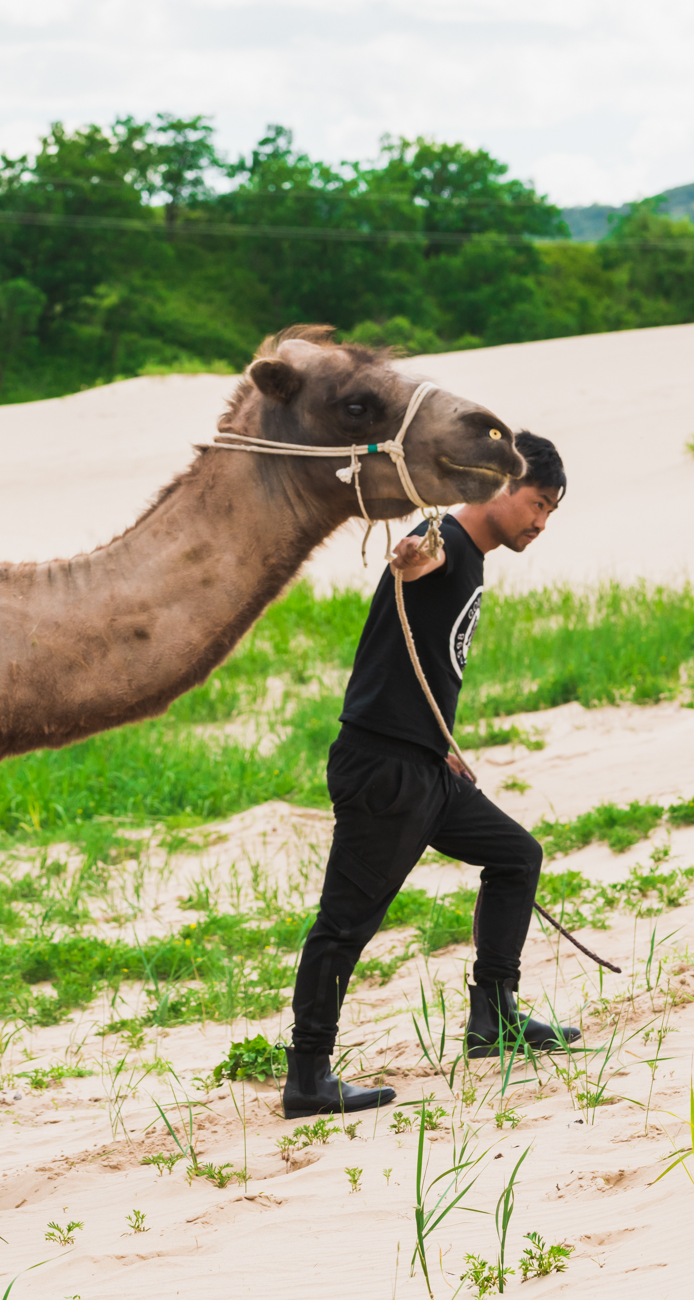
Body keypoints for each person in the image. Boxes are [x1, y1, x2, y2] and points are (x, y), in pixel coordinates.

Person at [282, 431, 573, 1118]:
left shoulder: (474, 555)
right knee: (345, 926)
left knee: (516, 857)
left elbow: (425, 657)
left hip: (423, 763)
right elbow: (419, 561)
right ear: (501, 485)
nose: (540, 522)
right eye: (537, 504)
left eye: (552, 511)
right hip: (384, 771)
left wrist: (439, 742)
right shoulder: (442, 539)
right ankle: (308, 1076)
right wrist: (410, 560)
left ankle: (493, 1018)